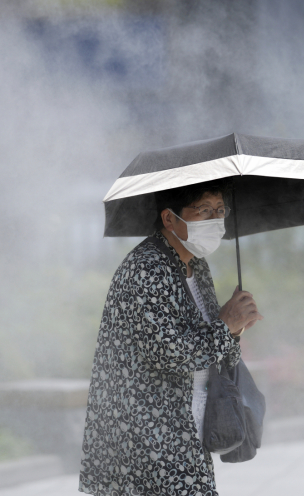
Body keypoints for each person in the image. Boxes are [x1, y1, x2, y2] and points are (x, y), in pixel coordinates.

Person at [79, 180, 262, 496]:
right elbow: (168, 353)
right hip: (146, 435)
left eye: (220, 211)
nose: (215, 221)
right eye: (204, 211)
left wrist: (236, 326)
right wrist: (224, 327)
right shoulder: (146, 267)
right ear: (169, 218)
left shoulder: (195, 266)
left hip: (187, 426)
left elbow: (210, 345)